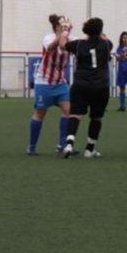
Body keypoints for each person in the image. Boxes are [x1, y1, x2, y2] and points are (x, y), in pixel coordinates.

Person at [59, 17, 113, 159]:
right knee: (96, 118)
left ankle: (69, 143)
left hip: (81, 85)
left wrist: (65, 32)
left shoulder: (78, 44)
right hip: (100, 86)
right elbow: (104, 39)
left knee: (75, 115)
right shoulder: (107, 44)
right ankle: (89, 149)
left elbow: (62, 45)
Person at [26, 14, 73, 156]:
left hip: (60, 83)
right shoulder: (48, 37)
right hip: (44, 82)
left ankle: (62, 145)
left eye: (68, 25)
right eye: (63, 25)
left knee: (69, 112)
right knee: (40, 113)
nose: (66, 28)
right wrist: (61, 35)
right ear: (56, 27)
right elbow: (51, 47)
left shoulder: (71, 39)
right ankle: (32, 146)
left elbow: (80, 45)